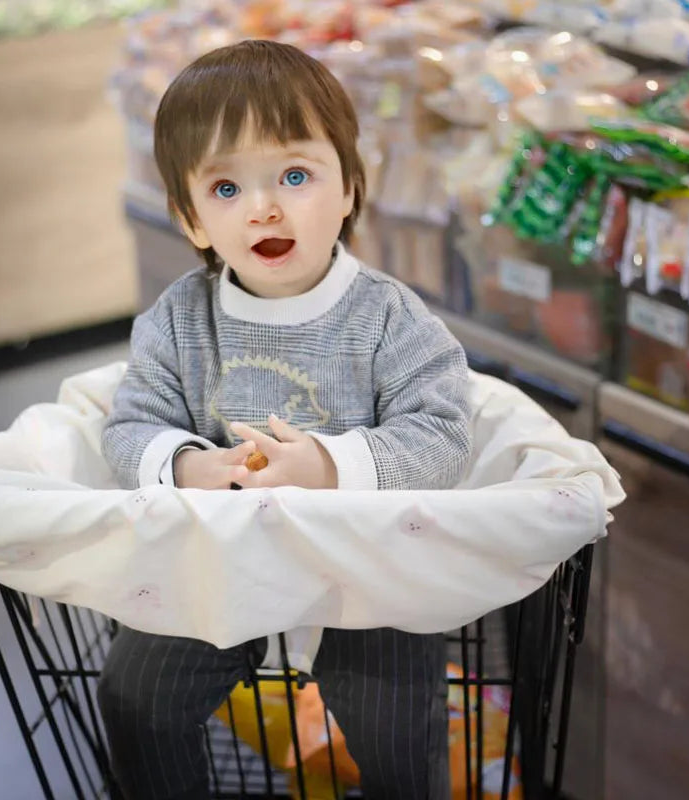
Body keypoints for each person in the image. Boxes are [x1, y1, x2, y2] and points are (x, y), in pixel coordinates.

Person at [98, 38, 471, 800]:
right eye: (226, 188)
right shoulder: (179, 322)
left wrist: (333, 466)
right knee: (137, 695)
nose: (265, 206)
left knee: (397, 726)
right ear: (191, 219)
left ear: (348, 191)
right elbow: (129, 424)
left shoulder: (390, 318)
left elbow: (442, 436)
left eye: (295, 175)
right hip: (222, 556)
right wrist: (185, 464)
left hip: (368, 564)